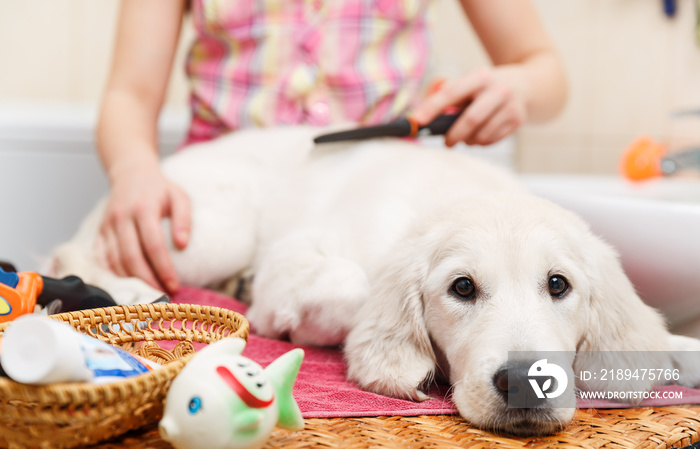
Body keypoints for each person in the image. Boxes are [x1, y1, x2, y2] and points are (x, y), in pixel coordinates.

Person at [95, 0, 567, 295]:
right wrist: (134, 169)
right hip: (223, 199)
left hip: (370, 200)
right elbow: (129, 95)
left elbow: (545, 72)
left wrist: (519, 87)